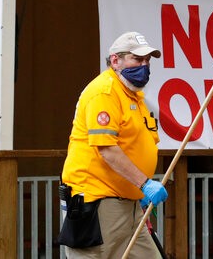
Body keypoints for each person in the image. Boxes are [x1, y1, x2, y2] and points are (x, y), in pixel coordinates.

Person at [59, 31, 168, 258]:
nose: (144, 66)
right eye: (137, 59)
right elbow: (107, 149)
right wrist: (144, 183)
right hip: (99, 203)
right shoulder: (105, 92)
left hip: (128, 204)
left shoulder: (132, 95)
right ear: (115, 60)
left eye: (147, 61)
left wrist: (139, 192)